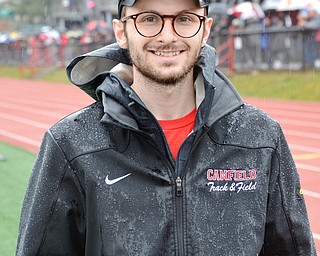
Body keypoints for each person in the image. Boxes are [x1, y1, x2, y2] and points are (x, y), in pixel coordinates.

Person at [16, 0, 317, 255]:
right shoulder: (72, 143)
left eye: (185, 19)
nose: (168, 36)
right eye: (149, 19)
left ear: (206, 30)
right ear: (121, 31)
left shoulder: (260, 138)